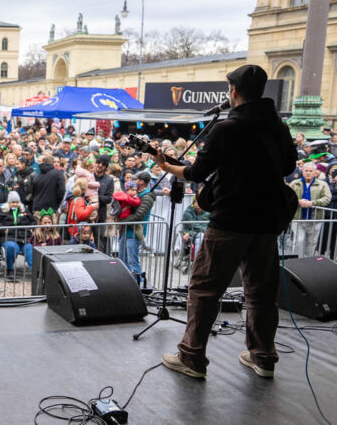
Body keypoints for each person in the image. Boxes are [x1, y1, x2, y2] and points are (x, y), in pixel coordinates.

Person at [152, 65, 297, 380]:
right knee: (260, 291)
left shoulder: (226, 128)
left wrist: (166, 165)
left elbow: (195, 173)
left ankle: (191, 358)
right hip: (268, 223)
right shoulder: (279, 127)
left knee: (205, 289)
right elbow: (287, 166)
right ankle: (264, 357)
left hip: (230, 221)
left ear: (233, 91)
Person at [116, 172, 155, 285]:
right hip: (126, 230)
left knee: (132, 261)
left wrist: (122, 221)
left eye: (135, 179)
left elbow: (139, 215)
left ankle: (139, 283)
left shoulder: (147, 196)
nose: (133, 181)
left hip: (135, 232)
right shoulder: (135, 194)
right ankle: (126, 282)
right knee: (122, 259)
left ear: (141, 182)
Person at [288, 162, 332, 257]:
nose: (308, 173)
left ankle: (308, 263)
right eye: (306, 170)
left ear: (315, 172)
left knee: (311, 243)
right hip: (298, 219)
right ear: (302, 171)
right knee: (298, 242)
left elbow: (327, 198)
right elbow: (287, 196)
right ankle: (298, 262)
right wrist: (297, 201)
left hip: (315, 219)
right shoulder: (295, 183)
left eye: (310, 171)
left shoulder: (322, 184)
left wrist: (313, 203)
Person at [0, 192, 35, 278]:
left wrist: (32, 228)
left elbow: (33, 221)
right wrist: (3, 230)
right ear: (8, 202)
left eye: (17, 202)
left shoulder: (24, 210)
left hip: (23, 237)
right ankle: (10, 269)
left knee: (30, 249)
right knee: (13, 247)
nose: (15, 204)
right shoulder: (2, 211)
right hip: (9, 237)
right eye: (12, 202)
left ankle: (35, 272)